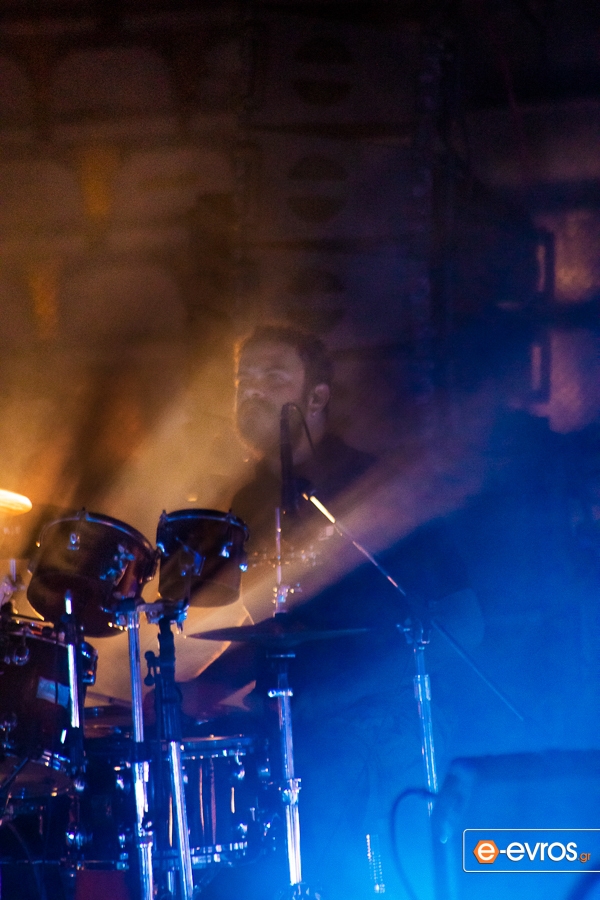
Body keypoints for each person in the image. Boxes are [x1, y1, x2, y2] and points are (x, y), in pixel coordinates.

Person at [186, 324, 479, 900]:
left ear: (316, 396)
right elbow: (275, 627)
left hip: (384, 728)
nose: (253, 391)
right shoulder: (248, 500)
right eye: (244, 379)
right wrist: (201, 688)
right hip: (297, 731)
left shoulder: (372, 484)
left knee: (384, 878)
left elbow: (463, 619)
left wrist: (333, 697)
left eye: (274, 376)